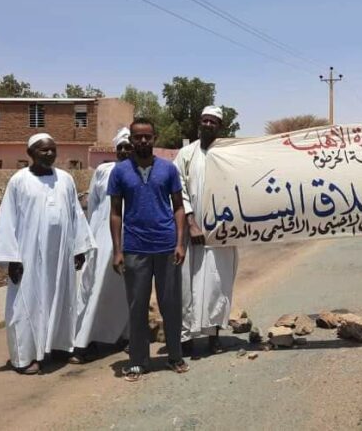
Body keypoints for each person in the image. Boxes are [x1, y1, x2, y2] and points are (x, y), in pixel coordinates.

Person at [0, 133, 95, 374]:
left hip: (60, 256)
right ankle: (25, 357)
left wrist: (78, 248)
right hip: (28, 257)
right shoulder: (19, 181)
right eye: (43, 150)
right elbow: (7, 221)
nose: (49, 153)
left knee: (62, 300)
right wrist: (11, 259)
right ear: (30, 154)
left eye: (52, 149)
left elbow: (76, 214)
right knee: (26, 304)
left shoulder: (65, 180)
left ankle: (59, 347)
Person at [108, 118, 188, 382]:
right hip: (135, 248)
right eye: (138, 137)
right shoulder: (120, 172)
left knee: (171, 305)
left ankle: (174, 356)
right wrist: (117, 250)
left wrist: (179, 243)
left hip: (166, 247)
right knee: (137, 306)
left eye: (147, 136)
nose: (143, 141)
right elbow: (115, 213)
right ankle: (138, 361)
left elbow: (178, 207)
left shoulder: (168, 169)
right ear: (130, 139)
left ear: (155, 138)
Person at [174, 106, 239, 359]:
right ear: (199, 123)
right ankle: (187, 337)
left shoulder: (230, 154)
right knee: (187, 285)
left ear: (220, 127)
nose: (208, 125)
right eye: (205, 120)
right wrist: (191, 223)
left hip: (223, 234)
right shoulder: (185, 154)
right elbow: (177, 190)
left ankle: (214, 336)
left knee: (217, 284)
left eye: (214, 121)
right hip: (192, 234)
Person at [71, 128, 134, 362]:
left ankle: (127, 336)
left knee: (128, 288)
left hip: (131, 237)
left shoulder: (142, 171)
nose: (125, 151)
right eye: (121, 148)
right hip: (102, 237)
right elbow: (94, 206)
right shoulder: (103, 171)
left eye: (129, 146)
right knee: (95, 287)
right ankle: (85, 340)